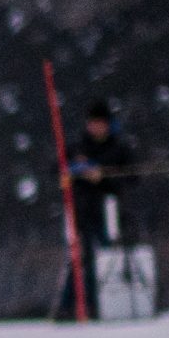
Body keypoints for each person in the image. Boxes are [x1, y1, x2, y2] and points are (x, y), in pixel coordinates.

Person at [60, 101, 135, 319]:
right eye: (93, 123)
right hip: (81, 212)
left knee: (104, 259)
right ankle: (69, 307)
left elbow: (131, 177)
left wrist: (103, 176)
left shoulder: (119, 149)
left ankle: (100, 305)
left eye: (100, 123)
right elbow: (57, 169)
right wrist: (71, 172)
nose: (96, 127)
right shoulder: (78, 148)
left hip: (109, 213)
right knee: (79, 259)